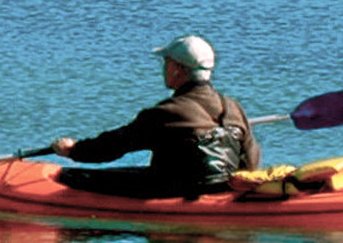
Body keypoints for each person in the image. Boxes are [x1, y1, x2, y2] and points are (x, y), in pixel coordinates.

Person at [48, 35, 261, 201]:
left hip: (174, 191)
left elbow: (113, 146)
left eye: (166, 63)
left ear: (179, 69)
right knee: (132, 173)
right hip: (223, 187)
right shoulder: (233, 107)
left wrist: (73, 150)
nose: (163, 69)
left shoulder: (165, 113)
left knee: (71, 177)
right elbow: (251, 159)